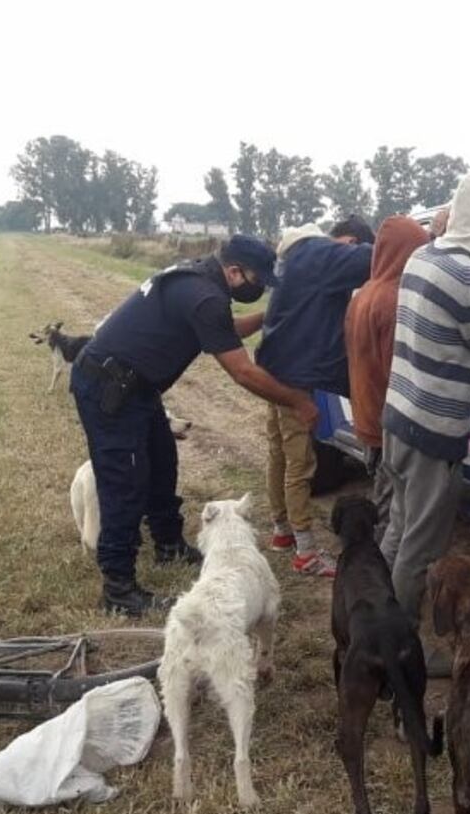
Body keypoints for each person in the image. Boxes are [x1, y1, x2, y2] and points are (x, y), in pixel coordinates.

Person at [72, 235, 317, 616]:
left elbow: (225, 330)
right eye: (259, 279)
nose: (261, 288)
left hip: (136, 387)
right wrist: (298, 400)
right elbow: (242, 372)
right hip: (109, 387)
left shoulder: (199, 282)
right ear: (235, 271)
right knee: (126, 481)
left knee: (162, 461)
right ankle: (118, 588)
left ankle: (169, 544)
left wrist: (270, 318)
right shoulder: (204, 296)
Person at [380, 172, 470, 664]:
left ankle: (378, 620)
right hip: (433, 433)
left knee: (398, 527)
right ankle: (403, 648)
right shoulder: (469, 281)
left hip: (397, 416)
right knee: (422, 546)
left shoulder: (424, 257)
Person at [255, 216, 374, 577]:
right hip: (292, 379)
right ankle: (306, 552)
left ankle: (282, 531)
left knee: (279, 454)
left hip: (273, 370)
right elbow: (375, 258)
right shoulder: (321, 254)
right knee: (300, 463)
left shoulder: (294, 257)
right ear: (348, 241)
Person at [344, 216, 429, 538]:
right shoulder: (394, 300)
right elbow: (400, 370)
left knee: (382, 496)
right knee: (391, 515)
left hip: (366, 415)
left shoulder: (364, 293)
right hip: (386, 422)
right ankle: (381, 575)